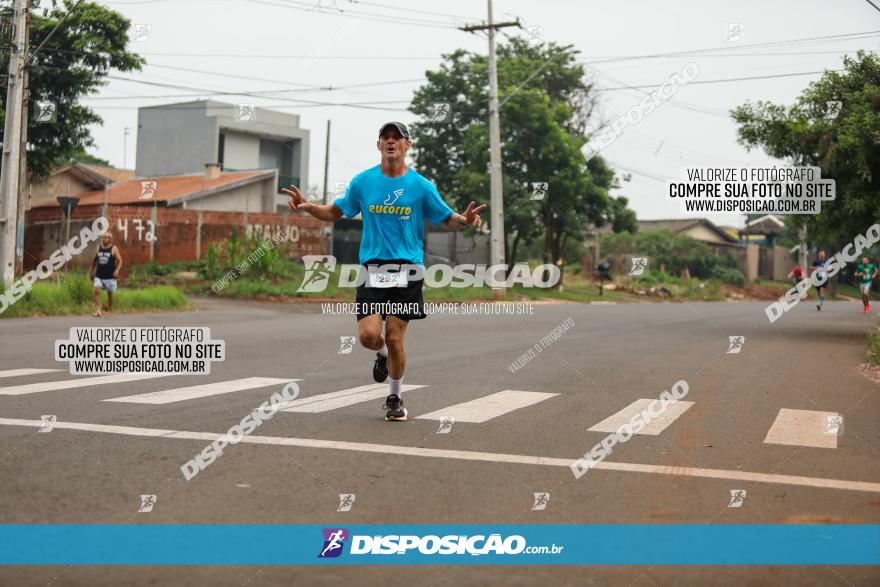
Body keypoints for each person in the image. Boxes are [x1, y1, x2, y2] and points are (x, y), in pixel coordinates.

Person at [282, 122, 486, 421]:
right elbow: (334, 213)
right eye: (385, 138)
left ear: (407, 145)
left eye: (397, 138)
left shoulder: (421, 186)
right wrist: (308, 206)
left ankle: (395, 396)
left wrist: (465, 220)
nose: (391, 142)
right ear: (379, 145)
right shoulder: (363, 182)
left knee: (394, 336)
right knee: (368, 336)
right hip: (373, 268)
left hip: (408, 268)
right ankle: (381, 356)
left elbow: (447, 218)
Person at [91, 231, 122, 317]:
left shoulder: (114, 248)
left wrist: (117, 270)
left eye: (105, 237)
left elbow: (120, 261)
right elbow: (94, 260)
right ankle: (98, 310)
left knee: (110, 294)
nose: (103, 239)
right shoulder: (98, 248)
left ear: (110, 239)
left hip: (110, 276)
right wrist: (92, 271)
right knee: (97, 291)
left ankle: (110, 311)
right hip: (99, 275)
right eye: (103, 237)